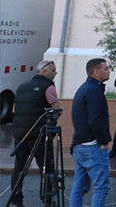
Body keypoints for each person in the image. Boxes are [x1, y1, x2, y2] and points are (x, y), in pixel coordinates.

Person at [9, 59, 59, 207]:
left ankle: (16, 201)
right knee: (46, 168)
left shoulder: (22, 86)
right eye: (53, 70)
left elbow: (13, 110)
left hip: (20, 133)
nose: (56, 72)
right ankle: (47, 200)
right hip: (40, 134)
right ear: (44, 72)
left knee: (19, 168)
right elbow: (56, 110)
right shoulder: (48, 87)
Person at [71, 58, 112, 207]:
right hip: (92, 145)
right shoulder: (94, 90)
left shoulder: (84, 88)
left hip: (80, 144)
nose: (109, 71)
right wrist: (104, 140)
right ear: (96, 72)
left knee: (78, 188)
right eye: (106, 68)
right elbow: (94, 119)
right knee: (101, 187)